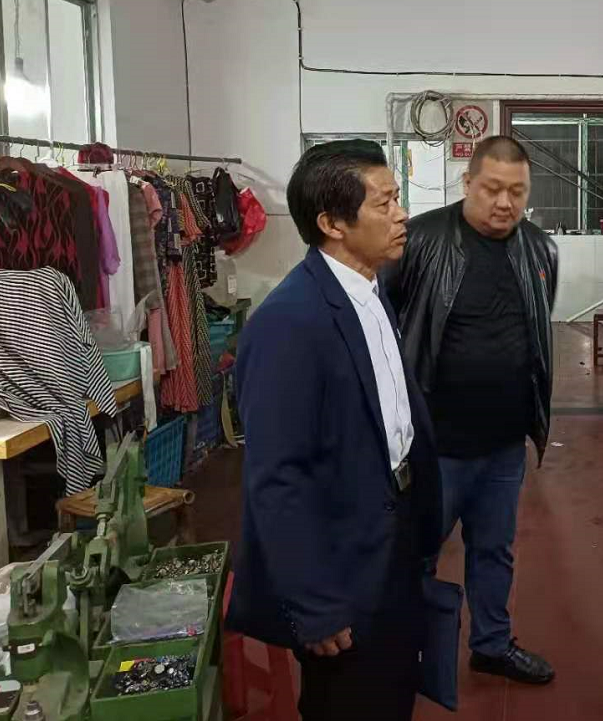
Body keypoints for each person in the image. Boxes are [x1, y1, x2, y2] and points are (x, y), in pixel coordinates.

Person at [228, 141, 442, 721]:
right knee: (350, 700)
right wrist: (315, 604)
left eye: (398, 198)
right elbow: (278, 477)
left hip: (391, 535)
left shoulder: (370, 293)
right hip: (343, 566)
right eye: (384, 203)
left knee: (393, 687)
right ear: (332, 224)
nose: (402, 214)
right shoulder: (289, 322)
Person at [385, 134, 558, 686]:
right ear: (467, 183)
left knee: (494, 552)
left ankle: (492, 644)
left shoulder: (539, 249)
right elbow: (384, 324)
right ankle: (403, 649)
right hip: (435, 446)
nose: (505, 203)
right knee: (416, 553)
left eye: (517, 192)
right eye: (492, 189)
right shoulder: (420, 240)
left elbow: (537, 335)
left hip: (504, 445)